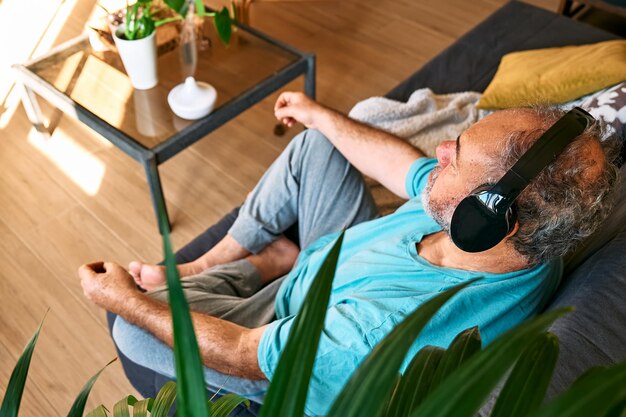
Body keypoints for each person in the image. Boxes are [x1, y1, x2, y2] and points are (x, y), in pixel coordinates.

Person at [79, 92, 620, 416]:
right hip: (337, 263)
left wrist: (122, 298)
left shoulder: (376, 332)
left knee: (130, 325)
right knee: (318, 143)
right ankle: (220, 263)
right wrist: (321, 115)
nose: (441, 152)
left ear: (491, 221)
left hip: (302, 330)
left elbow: (244, 352)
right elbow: (404, 168)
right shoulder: (504, 235)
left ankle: (255, 270)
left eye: (457, 161)